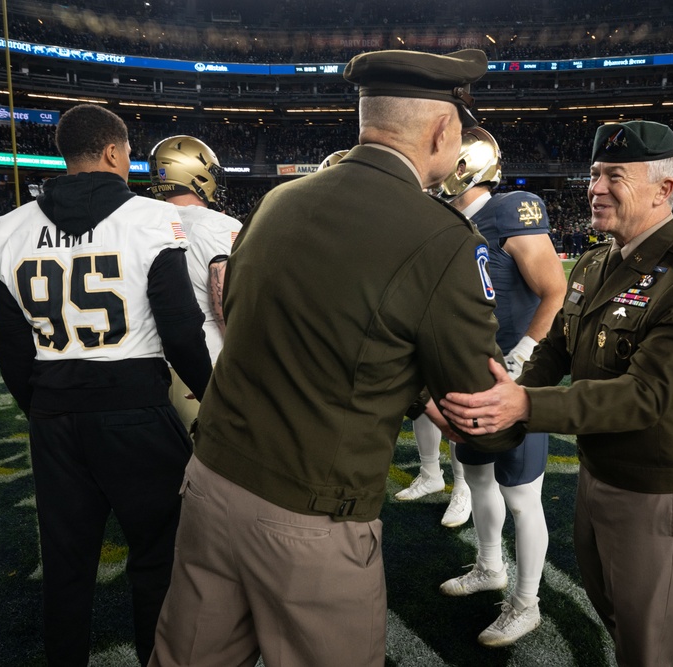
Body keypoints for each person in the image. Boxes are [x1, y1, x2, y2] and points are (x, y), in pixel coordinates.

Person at [149, 48, 524, 667]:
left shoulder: (278, 202)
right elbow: (476, 410)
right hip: (310, 512)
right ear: (439, 129)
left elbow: (243, 318)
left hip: (212, 482)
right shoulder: (442, 240)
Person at [440, 120, 673, 666]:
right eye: (596, 173)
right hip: (596, 476)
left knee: (645, 641)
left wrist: (525, 406)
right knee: (613, 610)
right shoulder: (595, 262)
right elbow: (555, 350)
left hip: (652, 492)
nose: (595, 187)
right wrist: (500, 408)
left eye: (614, 176)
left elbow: (644, 396)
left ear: (663, 189)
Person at [0, 103, 213, 667]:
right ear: (113, 152)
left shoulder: (9, 229)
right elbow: (183, 334)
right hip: (135, 408)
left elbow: (11, 349)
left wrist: (44, 408)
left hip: (54, 415)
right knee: (157, 558)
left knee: (66, 564)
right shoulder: (151, 219)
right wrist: (217, 398)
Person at [435, 127, 567, 646]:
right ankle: (490, 567)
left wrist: (524, 357)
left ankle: (526, 603)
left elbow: (554, 290)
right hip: (470, 375)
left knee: (521, 495)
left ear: (464, 163)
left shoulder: (512, 209)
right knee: (479, 480)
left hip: (514, 376)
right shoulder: (447, 222)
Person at [148, 134, 243, 426]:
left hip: (150, 369)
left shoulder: (141, 221)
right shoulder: (219, 226)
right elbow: (225, 307)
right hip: (208, 365)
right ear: (196, 173)